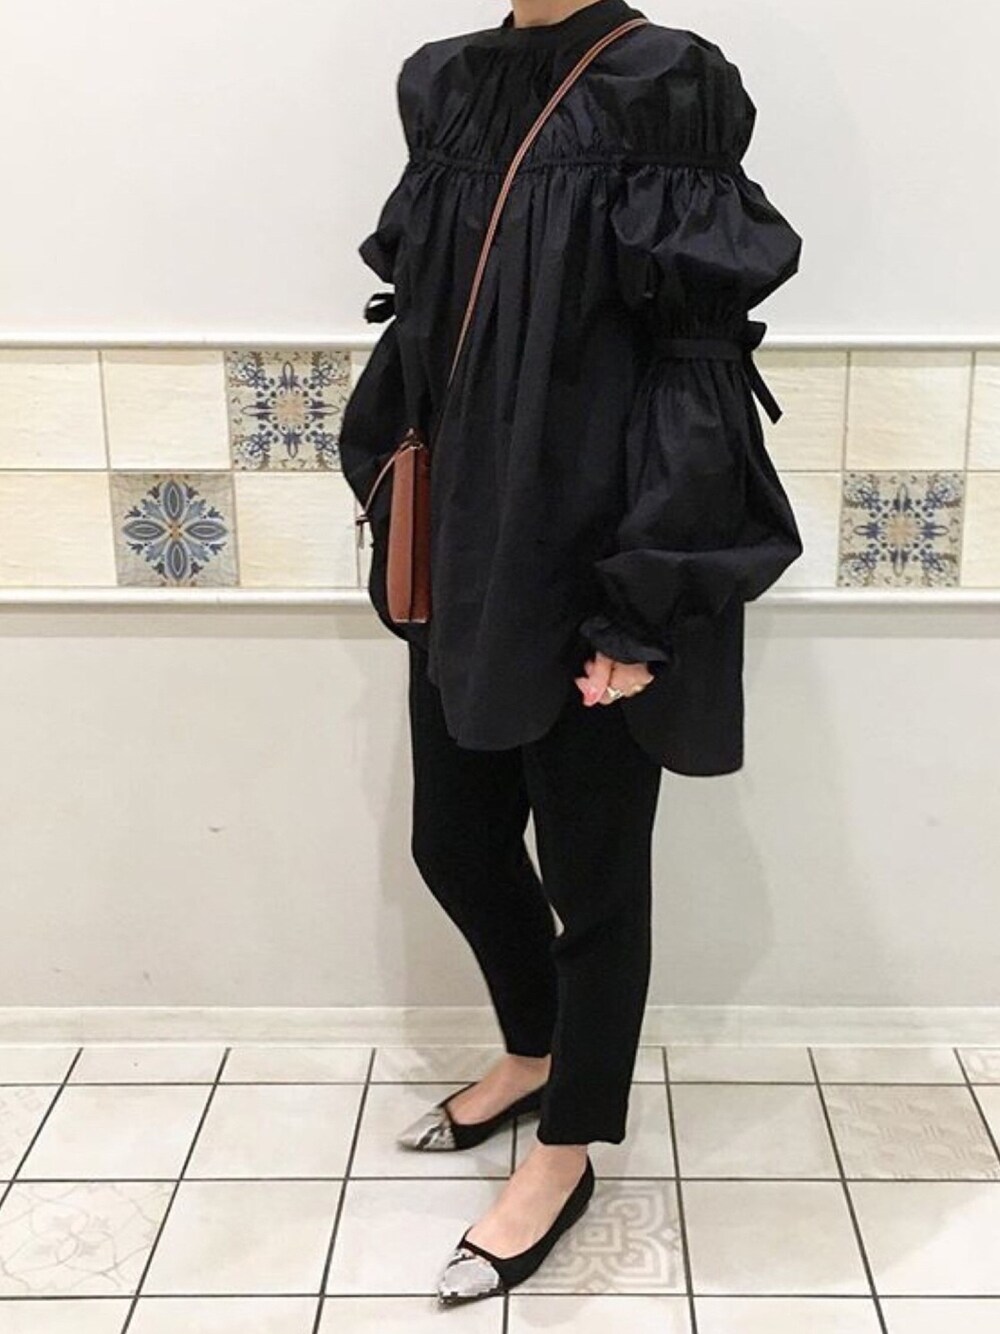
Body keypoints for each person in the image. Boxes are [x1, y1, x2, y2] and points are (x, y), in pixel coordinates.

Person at [339, 0, 804, 1305]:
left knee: (596, 882)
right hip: (464, 555)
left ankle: (566, 1147)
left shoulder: (669, 82)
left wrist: (643, 609)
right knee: (455, 840)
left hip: (596, 560)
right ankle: (537, 1048)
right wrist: (393, 489)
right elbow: (419, 324)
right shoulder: (443, 82)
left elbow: (696, 364)